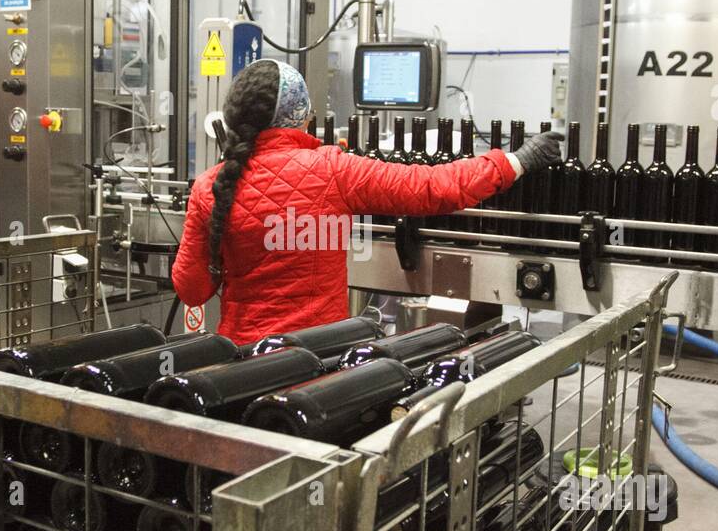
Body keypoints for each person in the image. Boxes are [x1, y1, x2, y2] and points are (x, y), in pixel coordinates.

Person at [173, 59, 562, 344]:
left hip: (239, 361)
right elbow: (432, 186)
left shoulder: (210, 186)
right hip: (315, 360)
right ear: (302, 118)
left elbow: (192, 290)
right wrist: (516, 161)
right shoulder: (330, 170)